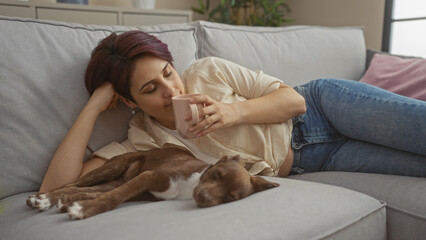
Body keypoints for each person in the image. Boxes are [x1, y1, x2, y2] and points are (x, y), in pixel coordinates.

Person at [39, 31, 426, 193]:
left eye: (168, 73)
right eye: (149, 89)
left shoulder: (207, 71)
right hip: (316, 161)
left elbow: (295, 102)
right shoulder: (142, 141)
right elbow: (56, 187)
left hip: (323, 110)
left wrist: (230, 112)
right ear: (128, 101)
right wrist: (94, 104)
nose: (171, 89)